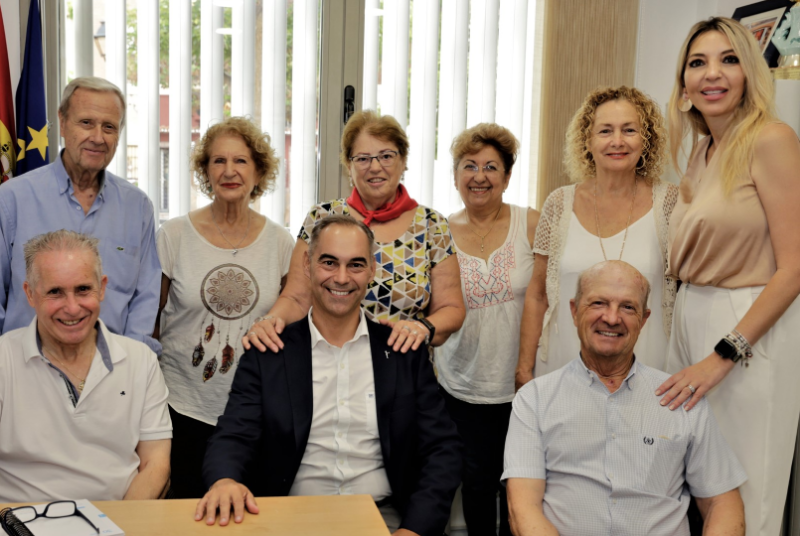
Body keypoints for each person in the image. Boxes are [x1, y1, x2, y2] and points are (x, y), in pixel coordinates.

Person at [195, 215, 462, 536]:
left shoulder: (403, 353)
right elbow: (234, 434)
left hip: (386, 519)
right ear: (307, 266)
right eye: (329, 262)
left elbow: (442, 451)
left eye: (356, 265)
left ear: (372, 271)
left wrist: (413, 530)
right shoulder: (269, 352)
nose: (341, 277)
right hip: (288, 517)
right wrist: (225, 480)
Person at [657, 17, 800, 536]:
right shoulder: (702, 149)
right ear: (683, 85)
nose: (712, 74)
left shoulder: (771, 139)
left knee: (748, 494)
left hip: (747, 329)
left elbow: (795, 267)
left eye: (729, 59)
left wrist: (724, 354)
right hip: (692, 317)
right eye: (698, 62)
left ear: (748, 74)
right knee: (703, 490)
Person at [503, 261, 747, 535]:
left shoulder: (681, 398)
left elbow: (722, 501)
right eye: (598, 303)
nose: (611, 318)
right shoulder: (534, 400)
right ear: (574, 311)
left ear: (644, 319)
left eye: (628, 307)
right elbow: (522, 508)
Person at [243, 110, 464, 355]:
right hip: (327, 363)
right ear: (349, 165)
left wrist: (421, 328)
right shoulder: (321, 217)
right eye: (363, 158)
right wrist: (268, 322)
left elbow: (451, 308)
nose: (375, 167)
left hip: (403, 368)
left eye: (386, 156)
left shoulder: (432, 225)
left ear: (403, 162)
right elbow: (296, 298)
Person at [154, 117, 294, 498]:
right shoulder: (173, 236)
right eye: (218, 161)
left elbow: (293, 317)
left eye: (241, 161)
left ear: (259, 170)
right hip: (182, 405)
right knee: (185, 513)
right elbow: (150, 322)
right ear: (205, 170)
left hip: (254, 411)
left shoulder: (283, 243)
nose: (229, 171)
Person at [516, 86, 678, 387]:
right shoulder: (559, 204)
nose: (617, 141)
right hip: (562, 369)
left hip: (647, 373)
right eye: (605, 131)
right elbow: (537, 295)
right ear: (587, 140)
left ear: (647, 139)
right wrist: (524, 370)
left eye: (629, 130)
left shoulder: (670, 203)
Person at [0, 230, 172, 502]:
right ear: (30, 295)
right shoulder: (3, 360)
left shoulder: (141, 361)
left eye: (83, 289)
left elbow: (156, 465)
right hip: (19, 523)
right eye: (55, 292)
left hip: (117, 524)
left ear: (102, 288)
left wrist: (119, 528)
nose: (72, 307)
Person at [0, 77, 162, 354]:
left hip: (113, 373)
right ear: (62, 123)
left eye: (109, 127)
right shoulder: (12, 199)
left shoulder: (137, 207)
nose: (98, 137)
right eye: (86, 122)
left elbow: (145, 297)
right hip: (26, 371)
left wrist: (131, 365)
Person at [436, 123, 538, 536]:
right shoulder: (438, 230)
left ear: (508, 176)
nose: (479, 176)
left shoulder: (531, 223)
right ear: (456, 175)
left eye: (491, 167)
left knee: (522, 486)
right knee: (476, 485)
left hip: (523, 381)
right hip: (460, 383)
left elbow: (549, 296)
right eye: (469, 166)